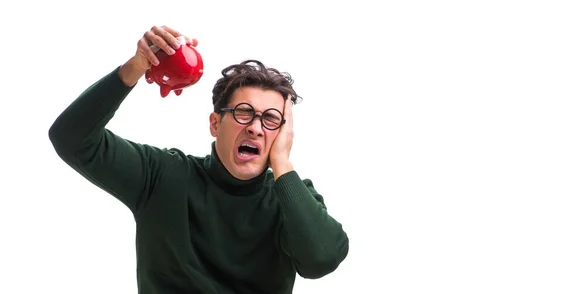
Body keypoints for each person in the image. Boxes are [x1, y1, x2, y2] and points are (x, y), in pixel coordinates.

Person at [48, 25, 349, 294]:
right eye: (244, 112)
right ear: (215, 124)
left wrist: (282, 162)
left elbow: (321, 260)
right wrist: (137, 66)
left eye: (271, 119)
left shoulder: (291, 198)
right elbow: (71, 138)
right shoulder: (163, 175)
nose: (256, 127)